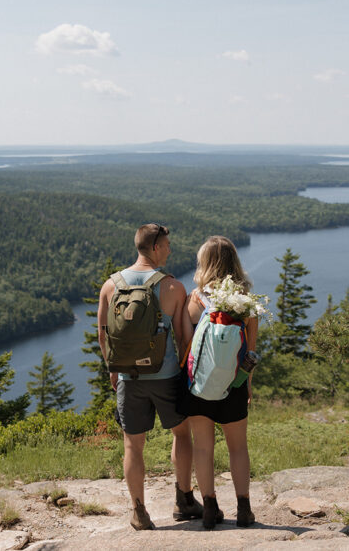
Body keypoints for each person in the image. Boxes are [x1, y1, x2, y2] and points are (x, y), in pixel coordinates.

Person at [97, 223, 202, 530]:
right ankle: (183, 500)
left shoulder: (110, 286)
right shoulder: (172, 287)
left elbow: (103, 337)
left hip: (128, 378)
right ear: (155, 247)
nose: (169, 249)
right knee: (182, 435)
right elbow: (184, 337)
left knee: (133, 445)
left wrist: (114, 371)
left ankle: (139, 511)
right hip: (166, 375)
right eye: (167, 245)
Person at [178, 235, 258, 529]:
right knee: (238, 447)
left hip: (198, 387)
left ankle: (210, 509)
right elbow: (250, 352)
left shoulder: (195, 299)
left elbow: (186, 345)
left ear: (205, 263)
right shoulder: (246, 302)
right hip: (233, 387)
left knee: (203, 447)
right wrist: (246, 385)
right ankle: (244, 510)